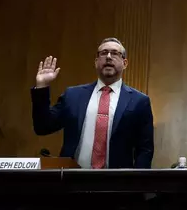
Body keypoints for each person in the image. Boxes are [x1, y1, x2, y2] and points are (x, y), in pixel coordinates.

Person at [30, 37, 154, 169]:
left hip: (117, 184)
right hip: (72, 180)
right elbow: (42, 127)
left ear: (125, 63)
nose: (108, 57)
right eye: (103, 53)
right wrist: (42, 87)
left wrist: (137, 183)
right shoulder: (73, 96)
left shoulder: (139, 101)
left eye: (115, 53)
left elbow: (145, 150)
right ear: (96, 62)